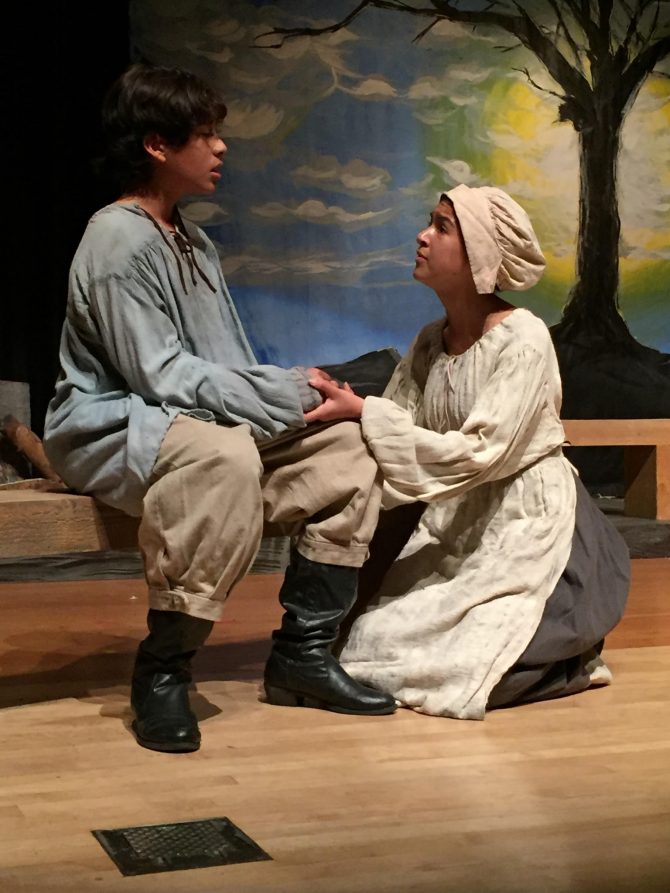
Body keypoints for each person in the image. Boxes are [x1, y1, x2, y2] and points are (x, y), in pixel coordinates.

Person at [43, 62, 396, 754]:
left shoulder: (192, 240)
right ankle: (163, 669)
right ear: (156, 145)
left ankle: (302, 655)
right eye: (203, 134)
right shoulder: (116, 239)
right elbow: (158, 374)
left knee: (349, 448)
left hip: (196, 422)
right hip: (114, 422)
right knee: (225, 455)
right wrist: (280, 393)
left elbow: (223, 362)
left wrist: (295, 400)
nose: (220, 146)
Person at [305, 184, 630, 720]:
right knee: (370, 644)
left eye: (441, 227)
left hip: (526, 517)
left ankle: (565, 660)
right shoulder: (430, 340)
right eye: (429, 223)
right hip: (454, 517)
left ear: (480, 251)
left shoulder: (522, 338)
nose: (422, 236)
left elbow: (482, 452)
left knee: (473, 659)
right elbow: (401, 425)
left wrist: (364, 412)